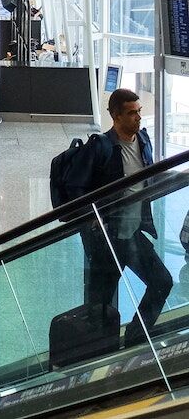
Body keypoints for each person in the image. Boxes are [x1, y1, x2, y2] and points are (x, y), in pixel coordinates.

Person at [82, 88, 173, 347]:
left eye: (139, 112)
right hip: (108, 239)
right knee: (100, 303)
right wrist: (91, 220)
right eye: (131, 113)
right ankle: (97, 354)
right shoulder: (102, 147)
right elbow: (81, 188)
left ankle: (135, 339)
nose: (138, 118)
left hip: (133, 234)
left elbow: (150, 179)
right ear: (115, 116)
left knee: (162, 281)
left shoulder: (144, 141)